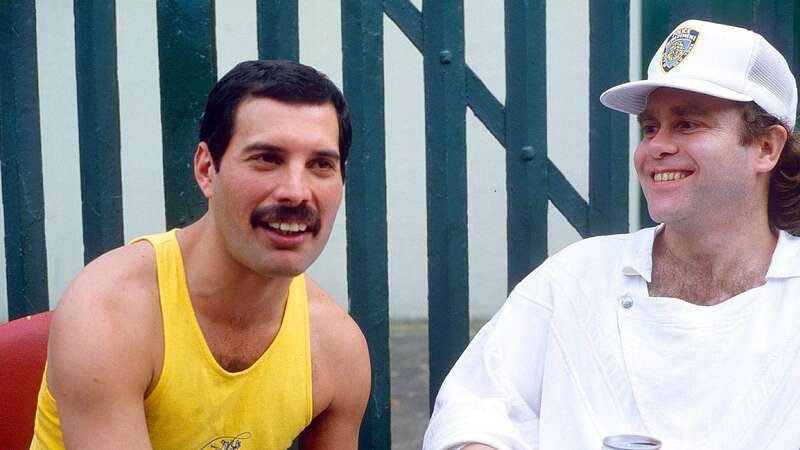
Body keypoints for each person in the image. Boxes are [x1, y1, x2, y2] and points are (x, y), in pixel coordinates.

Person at [423, 19, 800, 450]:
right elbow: (474, 407)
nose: (656, 147)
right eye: (650, 127)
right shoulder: (576, 278)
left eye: (688, 124)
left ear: (767, 147)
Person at [29, 60, 370, 449]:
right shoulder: (113, 312)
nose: (295, 191)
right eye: (267, 159)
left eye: (320, 165)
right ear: (207, 169)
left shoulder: (337, 347)